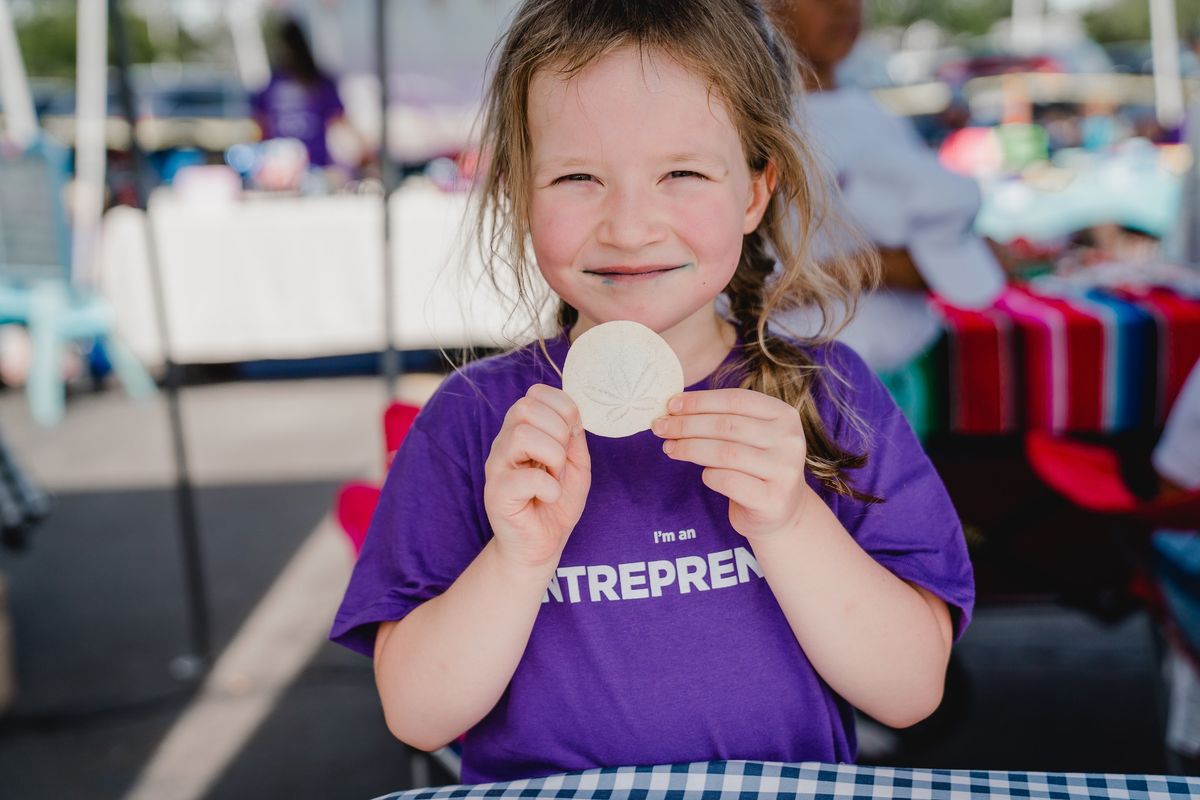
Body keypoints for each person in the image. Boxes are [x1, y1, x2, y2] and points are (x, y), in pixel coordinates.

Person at [330, 0, 973, 783]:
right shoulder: (473, 423)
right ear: (517, 191)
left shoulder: (830, 397)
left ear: (754, 190)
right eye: (576, 177)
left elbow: (911, 691)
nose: (630, 227)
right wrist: (518, 557)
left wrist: (792, 520)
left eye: (683, 173)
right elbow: (417, 714)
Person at [768, 0, 1006, 385]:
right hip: (808, 380)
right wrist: (876, 267)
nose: (844, 7)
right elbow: (743, 292)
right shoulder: (758, 121)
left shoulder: (871, 112)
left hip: (896, 376)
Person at [251, 17, 349, 172]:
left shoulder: (316, 82)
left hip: (302, 166)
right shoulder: (275, 83)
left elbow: (260, 126)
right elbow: (261, 124)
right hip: (284, 167)